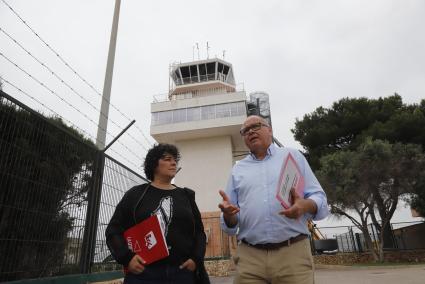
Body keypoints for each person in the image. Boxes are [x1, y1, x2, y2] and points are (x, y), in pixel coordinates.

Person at [218, 115, 329, 284]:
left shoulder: (293, 156)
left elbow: (319, 198)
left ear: (269, 130)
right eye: (245, 130)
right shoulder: (237, 170)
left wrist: (304, 205)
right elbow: (232, 221)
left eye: (256, 126)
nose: (251, 132)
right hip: (250, 259)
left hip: (293, 254)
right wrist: (228, 215)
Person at [106, 143, 210, 284]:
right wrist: (127, 258)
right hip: (144, 274)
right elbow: (114, 230)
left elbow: (199, 232)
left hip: (182, 273)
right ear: (154, 164)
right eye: (167, 159)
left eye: (175, 160)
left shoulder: (186, 196)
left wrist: (195, 259)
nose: (173, 163)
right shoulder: (135, 195)